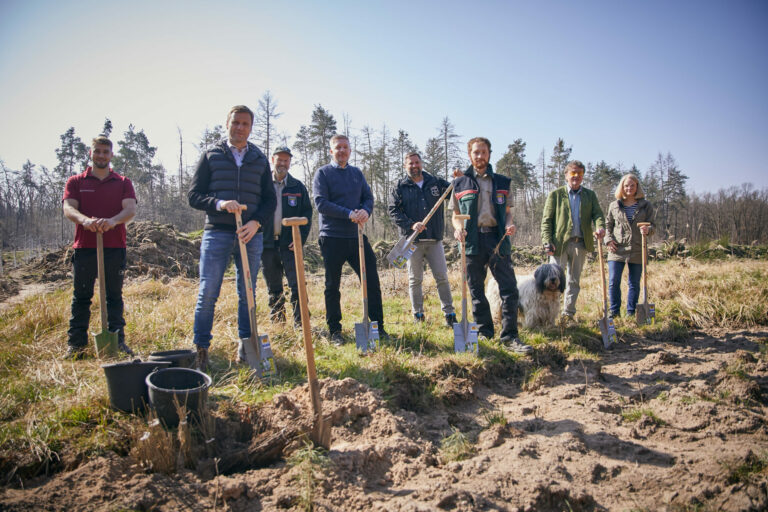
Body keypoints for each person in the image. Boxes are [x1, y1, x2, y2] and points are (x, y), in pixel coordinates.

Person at [188, 105, 276, 371]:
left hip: (250, 234)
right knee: (208, 291)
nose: (240, 128)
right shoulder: (211, 155)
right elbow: (194, 195)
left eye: (245, 124)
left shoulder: (259, 159)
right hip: (217, 232)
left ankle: (246, 346)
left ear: (251, 128)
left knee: (247, 292)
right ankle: (201, 349)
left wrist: (256, 222)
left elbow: (270, 200)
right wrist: (219, 204)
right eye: (236, 122)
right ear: (227, 124)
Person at [451, 137, 530, 354]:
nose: (480, 156)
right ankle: (485, 333)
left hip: (498, 241)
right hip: (471, 241)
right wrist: (458, 228)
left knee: (509, 289)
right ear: (470, 155)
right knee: (476, 290)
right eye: (476, 152)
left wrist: (510, 225)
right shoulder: (460, 183)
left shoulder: (503, 182)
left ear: (489, 154)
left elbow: (508, 213)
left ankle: (509, 336)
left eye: (483, 152)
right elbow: (456, 216)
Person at [62, 135, 137, 359]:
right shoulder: (76, 182)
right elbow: (69, 208)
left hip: (114, 247)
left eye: (106, 151)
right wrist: (85, 221)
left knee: (114, 296)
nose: (101, 155)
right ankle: (76, 345)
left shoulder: (123, 182)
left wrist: (113, 221)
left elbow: (130, 210)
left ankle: (118, 342)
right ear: (90, 153)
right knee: (81, 296)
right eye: (98, 151)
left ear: (111, 155)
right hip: (85, 247)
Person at [313, 134, 388, 344]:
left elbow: (368, 197)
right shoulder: (323, 173)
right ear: (331, 151)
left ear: (350, 150)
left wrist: (365, 210)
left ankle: (377, 327)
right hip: (332, 237)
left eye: (345, 147)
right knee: (332, 285)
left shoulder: (356, 173)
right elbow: (321, 203)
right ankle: (335, 330)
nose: (342, 151)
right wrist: (348, 213)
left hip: (356, 237)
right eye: (338, 147)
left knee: (371, 280)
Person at [388, 152, 456, 326]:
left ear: (421, 164)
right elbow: (393, 211)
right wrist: (411, 225)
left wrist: (459, 180)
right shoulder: (399, 186)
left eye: (417, 162)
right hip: (412, 241)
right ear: (405, 166)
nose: (414, 166)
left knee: (441, 277)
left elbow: (455, 194)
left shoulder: (436, 182)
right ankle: (418, 315)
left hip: (434, 239)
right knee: (415, 280)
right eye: (410, 163)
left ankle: (449, 314)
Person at [541, 160, 606, 323]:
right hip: (558, 244)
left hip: (580, 244)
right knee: (552, 281)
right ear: (566, 176)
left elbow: (598, 214)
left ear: (583, 176)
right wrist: (547, 241)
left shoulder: (590, 195)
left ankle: (568, 314)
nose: (576, 176)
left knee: (573, 280)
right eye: (573, 173)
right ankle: (550, 315)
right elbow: (546, 220)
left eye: (579, 173)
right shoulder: (556, 195)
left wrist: (600, 227)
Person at [261, 146, 312, 327]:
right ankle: (279, 325)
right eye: (279, 160)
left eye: (286, 160)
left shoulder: (297, 187)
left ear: (290, 162)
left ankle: (302, 324)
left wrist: (300, 239)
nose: (282, 163)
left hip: (290, 245)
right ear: (272, 160)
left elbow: (307, 214)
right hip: (266, 245)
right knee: (274, 288)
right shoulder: (262, 184)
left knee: (297, 286)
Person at [604, 174, 655, 317]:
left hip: (638, 248)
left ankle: (631, 312)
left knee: (634, 283)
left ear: (637, 187)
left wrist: (648, 230)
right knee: (613, 281)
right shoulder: (614, 205)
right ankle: (614, 312)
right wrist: (608, 240)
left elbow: (653, 226)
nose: (629, 188)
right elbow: (608, 225)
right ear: (622, 187)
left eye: (632, 185)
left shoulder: (646, 205)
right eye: (626, 185)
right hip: (617, 249)